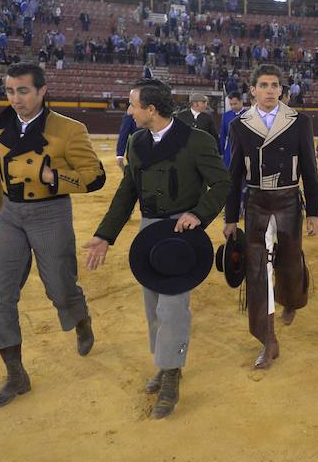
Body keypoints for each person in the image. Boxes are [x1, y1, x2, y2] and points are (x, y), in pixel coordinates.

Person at [84, 78, 230, 419]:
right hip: (149, 232)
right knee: (152, 305)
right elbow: (127, 193)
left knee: (173, 307)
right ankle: (165, 366)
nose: (129, 111)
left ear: (151, 109)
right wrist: (105, 234)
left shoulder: (196, 141)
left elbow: (222, 183)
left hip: (182, 233)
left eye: (133, 105)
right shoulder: (137, 142)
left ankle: (172, 375)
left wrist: (198, 214)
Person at [0, 62, 106, 409]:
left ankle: (80, 318)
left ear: (42, 91)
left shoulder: (69, 129)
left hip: (50, 213)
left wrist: (53, 176)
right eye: (9, 91)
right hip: (8, 215)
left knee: (61, 288)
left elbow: (95, 177)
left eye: (23, 91)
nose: (16, 99)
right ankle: (16, 375)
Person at [224, 64, 318, 370]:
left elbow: (310, 169)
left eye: (274, 85)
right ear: (252, 89)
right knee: (258, 270)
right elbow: (235, 173)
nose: (269, 90)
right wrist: (230, 217)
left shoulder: (299, 121)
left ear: (282, 90)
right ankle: (268, 339)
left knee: (290, 260)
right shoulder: (240, 125)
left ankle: (292, 298)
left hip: (289, 199)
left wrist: (314, 212)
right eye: (263, 85)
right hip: (256, 202)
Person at [218, 91, 245, 168]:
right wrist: (222, 152)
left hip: (244, 150)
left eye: (235, 104)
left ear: (241, 101)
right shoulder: (226, 116)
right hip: (229, 151)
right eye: (231, 104)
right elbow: (222, 135)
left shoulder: (249, 115)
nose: (233, 107)